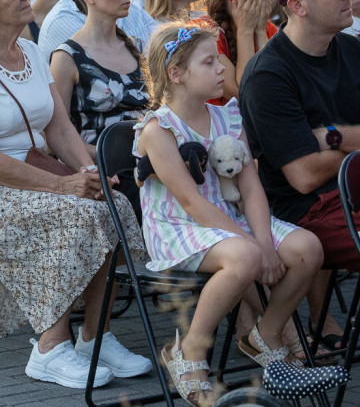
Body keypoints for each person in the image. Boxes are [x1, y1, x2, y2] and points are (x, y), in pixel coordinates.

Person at [0, 0, 151, 389]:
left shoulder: (28, 49)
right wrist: (65, 185)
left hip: (29, 174)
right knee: (74, 214)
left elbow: (59, 126)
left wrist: (89, 174)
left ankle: (95, 338)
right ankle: (49, 349)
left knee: (114, 204)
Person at [135, 24, 325, 405]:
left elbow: (251, 188)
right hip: (179, 225)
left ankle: (265, 333)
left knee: (307, 248)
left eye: (220, 59)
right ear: (177, 74)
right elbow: (190, 202)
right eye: (210, 62)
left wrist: (265, 241)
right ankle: (189, 352)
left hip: (225, 220)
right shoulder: (159, 130)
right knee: (246, 255)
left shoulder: (228, 117)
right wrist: (257, 245)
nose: (223, 68)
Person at [240, 0, 360, 349]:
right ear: (298, 6)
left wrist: (335, 138)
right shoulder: (268, 74)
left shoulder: (357, 51)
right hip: (305, 212)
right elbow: (303, 176)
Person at [50, 0, 149, 151]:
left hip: (150, 164)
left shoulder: (136, 47)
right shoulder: (67, 57)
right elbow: (56, 135)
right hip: (103, 172)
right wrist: (109, 159)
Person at [199, 0, 278, 103]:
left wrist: (261, 32)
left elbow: (273, 87)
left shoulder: (269, 29)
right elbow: (246, 92)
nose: (260, 0)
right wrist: (245, 31)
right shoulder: (203, 32)